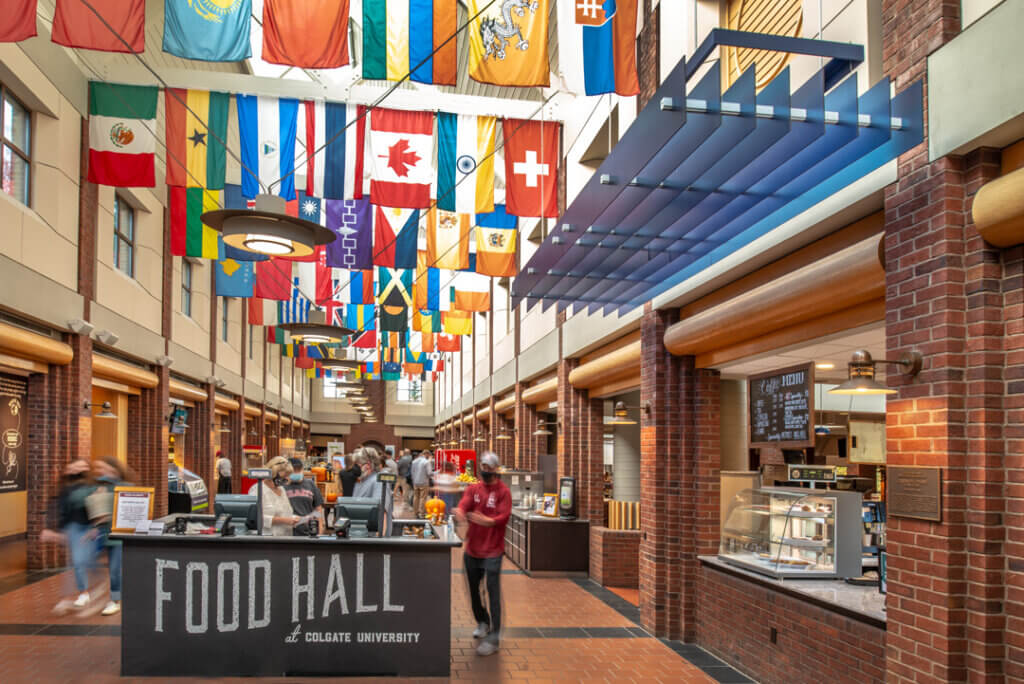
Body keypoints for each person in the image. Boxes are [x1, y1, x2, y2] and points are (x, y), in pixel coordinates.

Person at [453, 452, 511, 657]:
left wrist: (488, 521)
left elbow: (503, 516)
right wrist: (460, 512)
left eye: (489, 467)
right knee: (474, 590)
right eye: (483, 466)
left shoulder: (503, 492)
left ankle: (494, 638)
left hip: (493, 550)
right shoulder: (474, 488)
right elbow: (465, 504)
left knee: (493, 591)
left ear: (496, 469)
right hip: (473, 550)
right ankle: (483, 621)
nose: (485, 470)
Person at [40, 459, 97, 613]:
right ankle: (80, 593)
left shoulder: (92, 486)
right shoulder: (66, 489)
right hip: (73, 528)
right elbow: (62, 511)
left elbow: (97, 508)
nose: (76, 469)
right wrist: (57, 531)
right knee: (77, 562)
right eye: (72, 467)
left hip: (88, 527)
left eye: (80, 466)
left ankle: (86, 590)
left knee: (81, 561)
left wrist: (95, 527)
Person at [90, 456, 135, 617]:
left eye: (102, 468)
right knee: (111, 568)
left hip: (121, 535)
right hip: (106, 534)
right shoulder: (99, 487)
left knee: (115, 569)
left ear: (113, 469)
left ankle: (115, 600)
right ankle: (113, 594)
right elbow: (97, 513)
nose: (98, 472)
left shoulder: (126, 487)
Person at [247, 456, 300, 536]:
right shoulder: (258, 490)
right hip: (267, 538)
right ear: (274, 474)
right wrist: (284, 520)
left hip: (285, 537)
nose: (287, 479)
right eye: (285, 476)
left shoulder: (281, 489)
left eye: (288, 475)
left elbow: (285, 512)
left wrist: (294, 518)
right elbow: (255, 518)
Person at [352, 447, 393, 536]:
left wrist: (377, 544)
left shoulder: (379, 481)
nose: (355, 468)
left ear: (368, 465)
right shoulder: (361, 481)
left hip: (371, 541)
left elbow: (382, 514)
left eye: (358, 464)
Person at [284, 457, 324, 536]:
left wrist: (320, 529)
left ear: (302, 469)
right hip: (288, 531)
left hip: (308, 531)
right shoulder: (282, 486)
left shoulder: (310, 484)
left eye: (298, 470)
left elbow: (318, 509)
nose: (296, 472)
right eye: (293, 470)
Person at [410, 449, 433, 518]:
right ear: (427, 455)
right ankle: (422, 513)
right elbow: (429, 473)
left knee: (416, 497)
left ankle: (415, 512)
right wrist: (436, 472)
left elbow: (412, 472)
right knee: (423, 498)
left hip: (415, 482)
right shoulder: (426, 462)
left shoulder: (414, 461)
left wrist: (414, 480)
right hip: (424, 482)